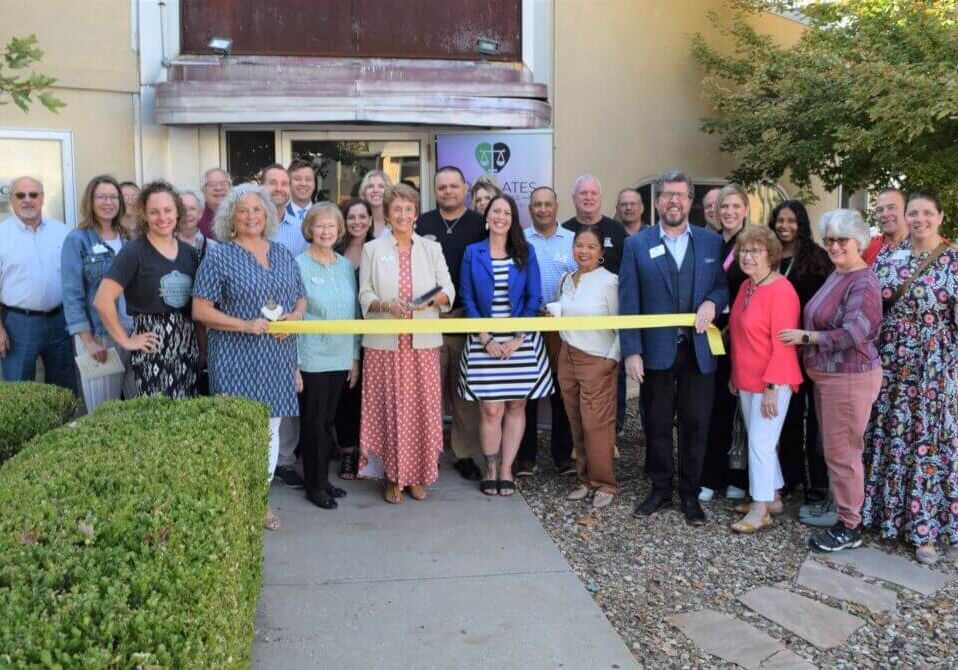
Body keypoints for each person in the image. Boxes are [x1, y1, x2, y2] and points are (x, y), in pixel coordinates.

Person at [192, 183, 306, 531]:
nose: (251, 216)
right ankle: (235, 500)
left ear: (268, 216)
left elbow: (301, 298)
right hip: (236, 356)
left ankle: (260, 502)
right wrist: (243, 324)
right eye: (243, 211)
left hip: (277, 356)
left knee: (271, 430)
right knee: (238, 430)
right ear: (231, 218)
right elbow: (200, 309)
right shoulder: (219, 255)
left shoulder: (283, 253)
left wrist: (296, 317)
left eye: (258, 210)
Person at [620, 170, 729, 525]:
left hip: (698, 350)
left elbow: (722, 288)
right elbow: (628, 301)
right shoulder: (637, 244)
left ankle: (690, 494)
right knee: (656, 421)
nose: (674, 201)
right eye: (667, 195)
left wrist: (713, 301)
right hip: (656, 351)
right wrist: (632, 350)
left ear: (690, 201)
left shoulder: (711, 243)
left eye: (680, 195)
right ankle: (660, 488)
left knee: (697, 423)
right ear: (657, 201)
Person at [779, 209, 882, 554]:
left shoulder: (864, 281)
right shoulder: (839, 274)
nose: (835, 246)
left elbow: (854, 333)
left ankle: (850, 526)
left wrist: (806, 338)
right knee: (835, 450)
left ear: (860, 243)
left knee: (843, 453)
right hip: (828, 377)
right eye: (830, 240)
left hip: (849, 377)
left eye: (842, 240)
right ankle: (843, 514)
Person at [863, 192, 958, 565]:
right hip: (890, 365)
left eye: (927, 213)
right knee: (889, 438)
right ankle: (883, 516)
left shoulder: (952, 262)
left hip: (931, 372)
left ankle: (926, 531)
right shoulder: (891, 257)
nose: (919, 219)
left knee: (926, 446)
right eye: (913, 213)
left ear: (940, 216)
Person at [358, 183, 453, 503]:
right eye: (396, 209)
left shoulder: (431, 248)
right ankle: (391, 477)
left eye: (408, 209)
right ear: (386, 213)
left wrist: (428, 302)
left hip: (422, 343)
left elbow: (448, 292)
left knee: (422, 411)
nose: (402, 215)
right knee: (388, 410)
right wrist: (387, 306)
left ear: (416, 213)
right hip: (384, 344)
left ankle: (418, 476)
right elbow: (365, 295)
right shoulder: (372, 249)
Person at [459, 194, 553, 497]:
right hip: (483, 339)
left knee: (516, 405)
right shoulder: (472, 253)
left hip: (520, 342)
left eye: (506, 212)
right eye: (495, 211)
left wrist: (517, 337)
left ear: (513, 219)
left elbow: (532, 298)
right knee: (490, 409)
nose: (500, 216)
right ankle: (489, 468)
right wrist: (485, 338)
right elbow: (468, 298)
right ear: (487, 217)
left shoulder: (527, 252)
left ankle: (506, 470)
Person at [727, 226, 803, 533]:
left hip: (772, 381)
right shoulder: (747, 286)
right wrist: (734, 374)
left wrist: (773, 388)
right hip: (746, 378)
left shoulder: (781, 290)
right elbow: (739, 334)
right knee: (762, 442)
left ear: (770, 255)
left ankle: (759, 511)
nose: (747, 256)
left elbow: (784, 343)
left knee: (760, 443)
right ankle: (772, 497)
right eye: (744, 251)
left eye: (755, 251)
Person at [94, 181, 200, 398]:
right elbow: (102, 300)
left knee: (188, 421)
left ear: (178, 212)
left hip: (187, 347)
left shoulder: (190, 253)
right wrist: (126, 340)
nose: (162, 217)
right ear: (144, 215)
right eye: (154, 212)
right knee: (159, 421)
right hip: (153, 347)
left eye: (168, 210)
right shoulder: (133, 252)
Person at [416, 166, 485, 481]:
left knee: (463, 392)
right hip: (427, 319)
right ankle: (423, 450)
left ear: (464, 188)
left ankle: (465, 454)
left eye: (453, 187)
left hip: (464, 318)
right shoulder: (422, 222)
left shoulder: (479, 224)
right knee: (425, 391)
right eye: (441, 187)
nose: (447, 192)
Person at [768, 200, 833, 524]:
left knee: (816, 422)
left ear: (801, 224)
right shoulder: (769, 257)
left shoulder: (818, 258)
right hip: (780, 352)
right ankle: (791, 479)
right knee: (788, 419)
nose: (784, 226)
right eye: (780, 220)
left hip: (810, 348)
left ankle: (817, 488)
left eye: (791, 220)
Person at [295, 202, 358, 510]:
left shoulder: (345, 266)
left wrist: (355, 358)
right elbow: (293, 317)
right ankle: (314, 485)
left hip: (341, 355)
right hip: (311, 356)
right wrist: (292, 364)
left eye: (331, 226)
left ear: (338, 230)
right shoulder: (298, 264)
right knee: (314, 421)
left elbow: (354, 314)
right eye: (320, 225)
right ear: (310, 229)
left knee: (328, 421)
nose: (325, 231)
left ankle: (323, 479)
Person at [556, 225, 620, 508]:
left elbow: (621, 327)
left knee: (597, 425)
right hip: (567, 356)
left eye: (591, 247)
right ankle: (585, 479)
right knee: (577, 422)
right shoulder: (566, 280)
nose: (584, 251)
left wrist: (610, 360)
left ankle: (605, 483)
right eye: (579, 245)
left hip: (597, 358)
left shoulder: (609, 282)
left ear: (601, 253)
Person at [61, 175, 136, 411]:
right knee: (103, 410)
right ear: (90, 201)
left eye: (114, 197)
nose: (108, 202)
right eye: (101, 196)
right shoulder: (77, 240)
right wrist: (88, 341)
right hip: (99, 335)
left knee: (138, 407)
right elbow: (72, 294)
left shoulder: (130, 239)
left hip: (134, 333)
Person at [516, 186, 576, 478]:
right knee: (525, 391)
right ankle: (526, 458)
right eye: (537, 205)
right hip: (528, 325)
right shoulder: (519, 240)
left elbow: (581, 280)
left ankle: (563, 456)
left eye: (547, 204)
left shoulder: (573, 241)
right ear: (530, 209)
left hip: (560, 329)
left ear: (556, 206)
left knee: (561, 391)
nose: (542, 209)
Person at [0, 176, 76, 393]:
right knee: (20, 392)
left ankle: (65, 427)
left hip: (60, 321)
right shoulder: (1, 235)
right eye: (20, 195)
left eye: (33, 194)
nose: (27, 200)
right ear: (11, 200)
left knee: (64, 390)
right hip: (17, 325)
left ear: (42, 198)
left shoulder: (62, 232)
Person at [701, 184, 750, 502]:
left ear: (745, 209)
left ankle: (739, 478)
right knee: (715, 407)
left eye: (735, 206)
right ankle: (711, 475)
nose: (729, 212)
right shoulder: (712, 244)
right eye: (723, 207)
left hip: (743, 336)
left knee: (742, 413)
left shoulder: (752, 243)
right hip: (713, 335)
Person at [332, 197, 374, 479]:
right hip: (342, 335)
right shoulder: (334, 252)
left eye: (363, 217)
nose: (357, 222)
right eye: (351, 217)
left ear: (371, 220)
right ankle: (347, 453)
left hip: (374, 334)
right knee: (347, 394)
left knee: (371, 396)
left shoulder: (380, 249)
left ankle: (369, 453)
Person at [561, 175, 626, 274]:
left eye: (594, 193)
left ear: (600, 198)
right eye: (583, 193)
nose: (588, 197)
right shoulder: (564, 231)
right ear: (574, 198)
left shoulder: (617, 229)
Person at [862, 189, 909, 266]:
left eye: (891, 207)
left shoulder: (923, 245)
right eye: (880, 210)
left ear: (907, 211)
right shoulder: (869, 248)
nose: (885, 214)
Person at [198, 168, 232, 241]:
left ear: (230, 188)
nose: (218, 188)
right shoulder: (197, 217)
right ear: (203, 190)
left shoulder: (240, 214)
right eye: (212, 184)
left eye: (224, 183)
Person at [177, 189, 214, 255]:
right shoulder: (166, 245)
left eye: (192, 209)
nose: (187, 213)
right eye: (183, 209)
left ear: (200, 213)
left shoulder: (213, 247)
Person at [358, 169, 393, 238]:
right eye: (370, 186)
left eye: (381, 186)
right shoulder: (356, 221)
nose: (376, 190)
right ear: (363, 192)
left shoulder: (397, 221)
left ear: (388, 191)